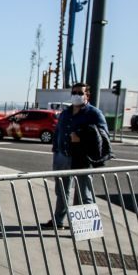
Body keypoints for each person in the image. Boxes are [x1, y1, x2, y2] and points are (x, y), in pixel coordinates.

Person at [42, 82, 109, 230]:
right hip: (62, 156)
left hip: (82, 159)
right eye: (74, 92)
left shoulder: (94, 113)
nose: (76, 95)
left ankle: (89, 227)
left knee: (85, 193)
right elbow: (58, 131)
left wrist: (81, 137)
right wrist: (56, 150)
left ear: (87, 95)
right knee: (61, 191)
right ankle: (58, 221)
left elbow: (104, 136)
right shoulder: (65, 113)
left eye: (80, 93)